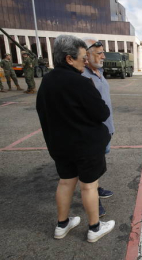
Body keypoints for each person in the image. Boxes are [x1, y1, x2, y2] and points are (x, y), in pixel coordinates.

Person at [36, 35, 115, 243]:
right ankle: (94, 228)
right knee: (89, 186)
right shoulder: (80, 82)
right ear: (69, 59)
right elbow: (101, 113)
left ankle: (62, 225)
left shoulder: (47, 81)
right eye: (82, 57)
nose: (85, 61)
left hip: (60, 146)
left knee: (65, 183)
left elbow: (42, 112)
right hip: (85, 146)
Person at [82, 37, 115, 218]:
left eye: (103, 53)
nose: (103, 56)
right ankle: (94, 199)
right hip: (94, 132)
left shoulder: (99, 72)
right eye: (99, 53)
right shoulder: (83, 77)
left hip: (106, 128)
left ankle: (97, 187)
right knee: (91, 166)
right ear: (86, 56)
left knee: (99, 162)